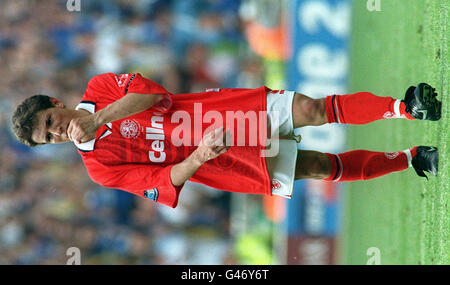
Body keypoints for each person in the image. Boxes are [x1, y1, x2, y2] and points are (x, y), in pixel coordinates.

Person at [11, 73, 441, 208]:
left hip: (220, 113)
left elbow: (155, 95)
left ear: (56, 101)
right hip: (220, 161)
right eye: (46, 137)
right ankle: (410, 159)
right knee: (317, 166)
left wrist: (102, 117)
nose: (55, 132)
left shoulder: (101, 87)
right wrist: (199, 156)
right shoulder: (99, 170)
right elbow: (165, 182)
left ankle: (403, 108)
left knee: (311, 110)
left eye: (49, 120)